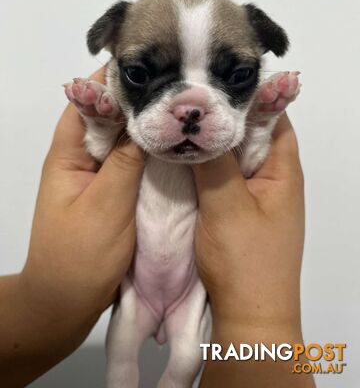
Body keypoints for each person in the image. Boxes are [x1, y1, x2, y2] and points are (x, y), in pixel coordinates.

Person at [0, 69, 315, 387]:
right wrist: (103, 124)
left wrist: (258, 122)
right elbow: (99, 151)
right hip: (136, 289)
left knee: (187, 359)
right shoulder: (144, 124)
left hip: (191, 292)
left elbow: (246, 165)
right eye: (140, 74)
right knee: (121, 364)